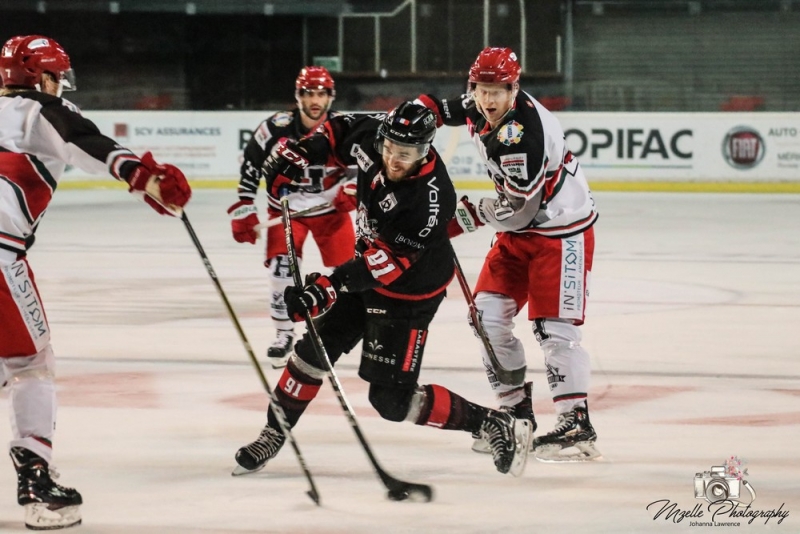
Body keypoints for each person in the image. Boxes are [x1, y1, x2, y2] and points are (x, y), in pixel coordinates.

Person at [232, 102, 533, 478]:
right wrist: (304, 151)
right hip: (365, 271)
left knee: (390, 400)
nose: (393, 159)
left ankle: (490, 422)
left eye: (405, 154)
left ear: (424, 150)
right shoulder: (376, 135)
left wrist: (329, 286)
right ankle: (273, 434)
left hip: (409, 294)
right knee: (310, 353)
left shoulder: (429, 199)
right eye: (389, 148)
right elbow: (336, 130)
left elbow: (386, 265)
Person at [0, 35, 191, 530]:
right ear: (41, 77)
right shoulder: (40, 110)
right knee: (30, 363)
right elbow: (85, 141)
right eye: (57, 76)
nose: (61, 85)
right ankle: (36, 483)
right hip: (1, 254)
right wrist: (148, 179)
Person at [417, 47, 601, 462]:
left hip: (560, 233)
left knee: (555, 330)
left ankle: (576, 423)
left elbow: (521, 211)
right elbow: (437, 109)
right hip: (518, 233)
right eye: (481, 90)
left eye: (498, 91)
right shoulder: (479, 104)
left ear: (514, 89)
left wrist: (463, 218)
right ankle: (516, 415)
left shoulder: (522, 135)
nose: (488, 99)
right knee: (486, 319)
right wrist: (403, 118)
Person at [227, 66, 356, 369]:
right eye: (309, 93)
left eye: (321, 93)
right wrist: (244, 205)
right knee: (280, 271)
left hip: (331, 211)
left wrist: (353, 189)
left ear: (331, 96)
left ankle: (345, 332)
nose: (315, 100)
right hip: (286, 212)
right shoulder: (275, 128)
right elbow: (251, 164)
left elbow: (363, 165)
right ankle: (283, 334)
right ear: (298, 96)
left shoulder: (344, 127)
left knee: (351, 274)